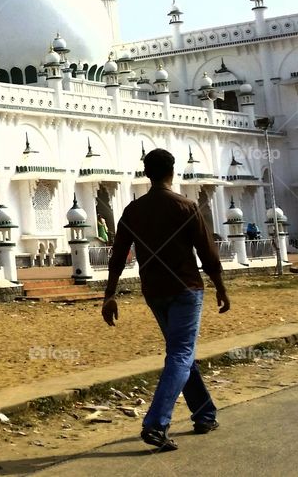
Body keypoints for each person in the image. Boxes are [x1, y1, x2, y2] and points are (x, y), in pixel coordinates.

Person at [101, 147, 230, 452]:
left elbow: (118, 255)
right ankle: (156, 424)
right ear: (173, 171)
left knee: (180, 353)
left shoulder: (133, 211)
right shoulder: (186, 206)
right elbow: (208, 254)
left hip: (154, 291)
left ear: (146, 173)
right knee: (181, 355)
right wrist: (221, 287)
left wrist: (110, 294)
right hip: (186, 289)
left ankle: (205, 414)